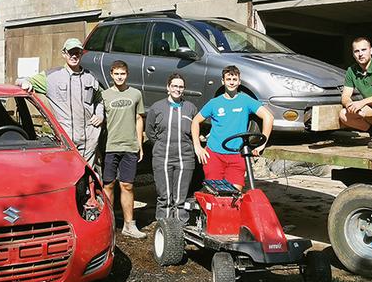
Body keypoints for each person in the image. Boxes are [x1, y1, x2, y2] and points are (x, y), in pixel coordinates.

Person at [18, 37, 103, 165]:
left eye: (77, 53)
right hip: (65, 140)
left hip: (89, 138)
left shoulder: (90, 77)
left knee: (86, 177)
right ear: (64, 54)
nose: (74, 56)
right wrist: (24, 82)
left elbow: (100, 99)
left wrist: (100, 115)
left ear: (82, 54)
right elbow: (21, 81)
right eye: (71, 52)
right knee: (68, 176)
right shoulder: (51, 77)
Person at [191, 65, 274, 191]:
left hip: (236, 155)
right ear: (223, 81)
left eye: (234, 79)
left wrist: (263, 143)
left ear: (239, 82)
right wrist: (197, 146)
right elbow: (195, 121)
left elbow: (268, 117)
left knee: (235, 195)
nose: (231, 82)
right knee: (215, 194)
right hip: (214, 154)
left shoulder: (245, 100)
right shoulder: (214, 103)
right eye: (228, 79)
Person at [101, 60, 147, 239]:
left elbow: (138, 119)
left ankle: (129, 225)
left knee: (127, 185)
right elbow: (100, 121)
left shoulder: (135, 94)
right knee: (108, 185)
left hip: (129, 146)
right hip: (110, 146)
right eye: (116, 74)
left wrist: (139, 145)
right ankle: (108, 225)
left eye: (123, 74)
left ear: (127, 74)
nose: (119, 77)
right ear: (111, 75)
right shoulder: (104, 95)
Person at [146, 73, 198, 222]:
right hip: (162, 157)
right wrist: (160, 144)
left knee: (181, 197)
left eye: (181, 87)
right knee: (164, 197)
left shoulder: (190, 108)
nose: (177, 89)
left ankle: (181, 228)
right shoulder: (157, 107)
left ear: (184, 89)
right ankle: (164, 229)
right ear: (168, 88)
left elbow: (195, 129)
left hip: (185, 158)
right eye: (174, 86)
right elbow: (150, 131)